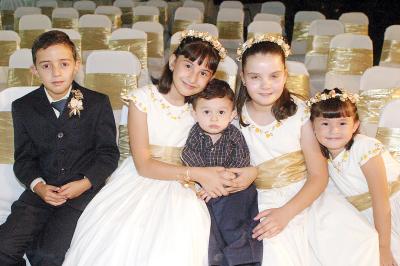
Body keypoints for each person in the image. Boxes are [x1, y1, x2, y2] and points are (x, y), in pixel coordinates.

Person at [63, 30, 257, 266]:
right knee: (122, 236)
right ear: (173, 61)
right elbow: (143, 165)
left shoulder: (204, 108)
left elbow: (227, 147)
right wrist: (197, 174)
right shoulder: (143, 99)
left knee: (180, 236)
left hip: (184, 185)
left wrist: (249, 171)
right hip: (140, 178)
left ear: (211, 78)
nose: (193, 77)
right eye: (188, 66)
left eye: (203, 72)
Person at [235, 34, 380, 266]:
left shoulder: (300, 113)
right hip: (264, 199)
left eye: (274, 76)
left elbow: (318, 175)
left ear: (285, 75)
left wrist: (287, 213)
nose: (265, 85)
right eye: (255, 77)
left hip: (308, 195)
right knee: (276, 252)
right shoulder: (233, 117)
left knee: (359, 240)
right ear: (243, 77)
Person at [0, 30, 120, 266]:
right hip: (39, 195)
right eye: (46, 66)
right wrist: (39, 186)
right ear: (34, 71)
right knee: (4, 248)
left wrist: (84, 183)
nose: (56, 73)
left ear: (76, 65)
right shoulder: (23, 107)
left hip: (80, 195)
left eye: (63, 64)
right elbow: (23, 159)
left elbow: (108, 154)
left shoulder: (97, 102)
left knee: (48, 255)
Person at [309, 88, 400, 266]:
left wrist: (383, 248)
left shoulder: (364, 148)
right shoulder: (321, 158)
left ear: (356, 125)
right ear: (313, 127)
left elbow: (382, 202)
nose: (333, 130)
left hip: (391, 208)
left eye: (342, 123)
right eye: (325, 124)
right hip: (367, 215)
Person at [181, 79, 262, 266]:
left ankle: (244, 257)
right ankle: (217, 258)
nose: (214, 118)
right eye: (206, 112)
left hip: (233, 188)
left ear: (232, 113)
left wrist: (225, 182)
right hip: (204, 187)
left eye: (221, 112)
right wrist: (208, 182)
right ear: (194, 113)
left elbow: (241, 162)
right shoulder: (195, 135)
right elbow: (189, 155)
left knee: (239, 215)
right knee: (207, 220)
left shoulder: (234, 135)